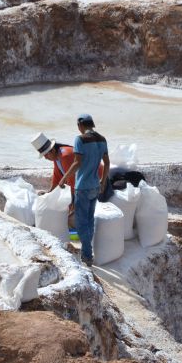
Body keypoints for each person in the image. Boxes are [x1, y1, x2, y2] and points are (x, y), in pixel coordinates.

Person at [58, 114, 110, 267]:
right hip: (95, 186)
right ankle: (87, 252)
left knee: (81, 224)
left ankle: (87, 255)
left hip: (82, 187)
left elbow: (76, 163)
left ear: (80, 125)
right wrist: (103, 181)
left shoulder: (80, 139)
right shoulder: (102, 139)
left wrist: (64, 178)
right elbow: (107, 163)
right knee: (89, 220)